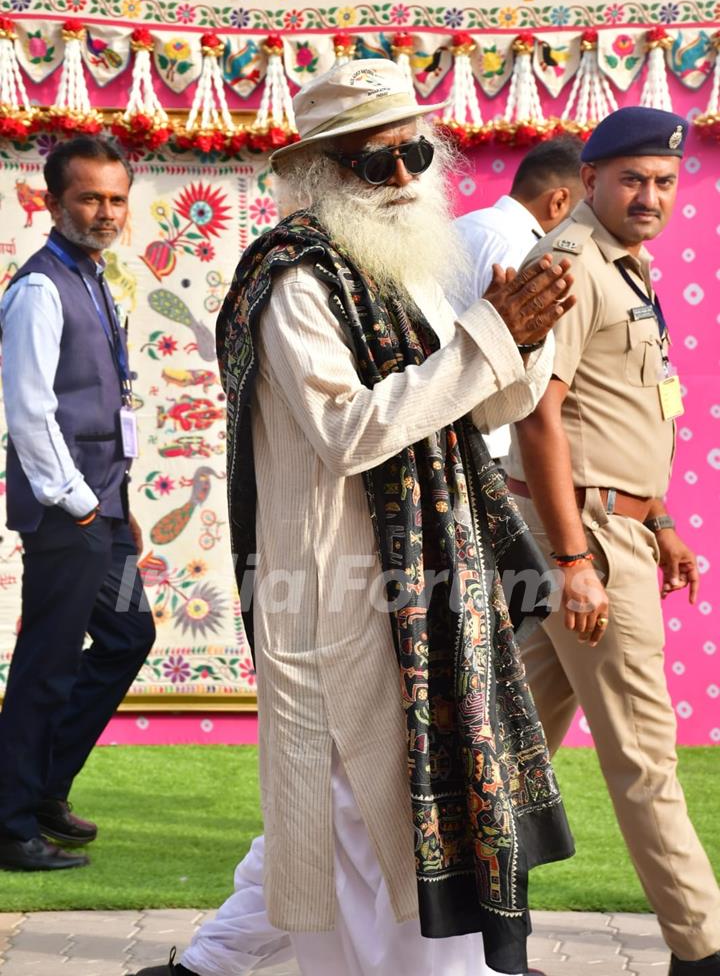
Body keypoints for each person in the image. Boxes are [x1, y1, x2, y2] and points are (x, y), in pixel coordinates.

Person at [134, 58, 578, 976]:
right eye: (379, 164)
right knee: (375, 842)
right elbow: (350, 431)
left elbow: (462, 410)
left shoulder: (398, 271)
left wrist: (520, 347)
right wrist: (491, 339)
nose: (407, 179)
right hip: (342, 604)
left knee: (371, 840)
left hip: (417, 594)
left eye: (415, 152)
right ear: (321, 171)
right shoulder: (295, 281)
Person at [505, 106, 720, 976]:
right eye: (632, 178)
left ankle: (470, 930)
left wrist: (661, 517)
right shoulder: (567, 262)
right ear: (587, 180)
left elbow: (623, 410)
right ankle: (702, 950)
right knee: (643, 754)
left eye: (665, 181)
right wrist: (573, 561)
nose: (651, 195)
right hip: (584, 539)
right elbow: (539, 417)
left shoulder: (626, 266)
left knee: (505, 745)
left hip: (614, 527)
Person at [0, 136, 155, 872]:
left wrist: (117, 502)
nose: (106, 212)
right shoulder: (38, 288)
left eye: (116, 198)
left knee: (128, 637)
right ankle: (9, 822)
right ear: (55, 202)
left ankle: (40, 789)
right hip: (71, 514)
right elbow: (30, 412)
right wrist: (80, 504)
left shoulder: (93, 276)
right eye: (90, 198)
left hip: (104, 507)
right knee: (48, 663)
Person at [452, 138, 585, 460]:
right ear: (559, 202)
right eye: (584, 215)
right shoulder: (525, 249)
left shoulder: (463, 225)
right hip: (489, 440)